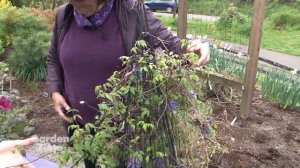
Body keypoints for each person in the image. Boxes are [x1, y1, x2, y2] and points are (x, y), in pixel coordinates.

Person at [47, 0, 210, 167]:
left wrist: (193, 48)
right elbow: (53, 57)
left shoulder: (132, 11)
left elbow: (170, 44)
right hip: (83, 131)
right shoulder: (65, 15)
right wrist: (55, 91)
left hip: (125, 134)